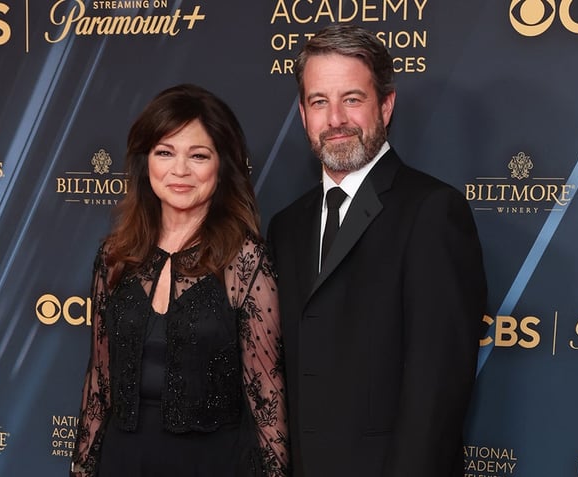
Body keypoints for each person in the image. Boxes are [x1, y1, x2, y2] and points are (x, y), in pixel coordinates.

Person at [267, 25, 487, 476]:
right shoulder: (286, 227)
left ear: (385, 105)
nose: (335, 120)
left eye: (352, 99)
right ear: (303, 114)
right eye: (319, 102)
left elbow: (437, 388)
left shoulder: (432, 211)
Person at [71, 84, 288, 477]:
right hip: (122, 462)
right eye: (165, 153)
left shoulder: (244, 261)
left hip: (212, 464)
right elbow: (99, 386)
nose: (180, 170)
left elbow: (267, 399)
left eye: (198, 155)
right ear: (145, 162)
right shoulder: (115, 256)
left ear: (222, 167)